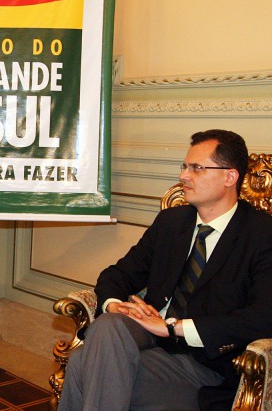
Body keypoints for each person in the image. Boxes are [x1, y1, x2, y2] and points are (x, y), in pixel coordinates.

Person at [59, 129, 272, 411]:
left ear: (229, 177)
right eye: (185, 166)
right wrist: (114, 306)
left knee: (81, 362)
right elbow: (117, 275)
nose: (184, 176)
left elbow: (263, 316)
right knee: (109, 324)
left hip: (205, 363)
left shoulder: (261, 234)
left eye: (196, 168)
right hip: (148, 337)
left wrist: (174, 327)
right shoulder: (172, 222)